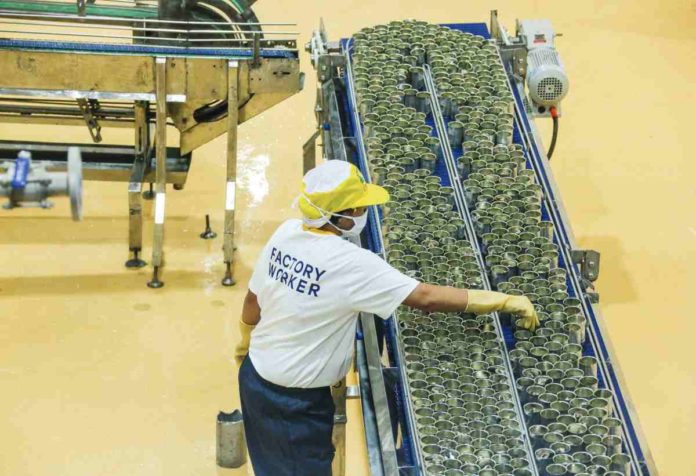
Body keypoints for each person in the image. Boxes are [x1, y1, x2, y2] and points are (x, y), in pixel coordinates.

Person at [234, 160, 538, 476]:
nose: (364, 211)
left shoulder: (286, 233)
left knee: (271, 465)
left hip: (256, 376)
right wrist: (502, 300)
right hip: (293, 404)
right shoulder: (351, 263)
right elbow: (426, 298)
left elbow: (253, 299)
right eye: (359, 207)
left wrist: (244, 341)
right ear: (344, 215)